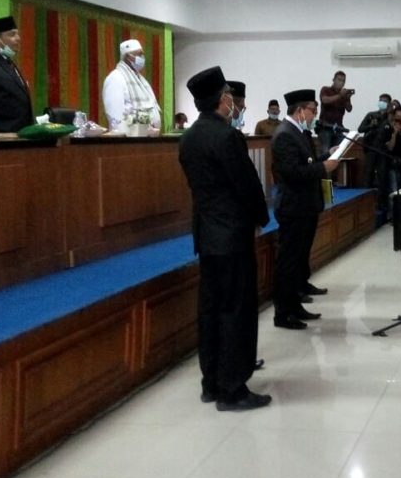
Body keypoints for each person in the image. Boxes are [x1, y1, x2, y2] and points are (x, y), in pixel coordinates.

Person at [178, 67, 271, 412]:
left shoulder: (189, 137)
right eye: (230, 96)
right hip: (232, 235)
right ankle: (233, 389)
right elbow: (246, 184)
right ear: (223, 99)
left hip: (207, 234)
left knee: (211, 310)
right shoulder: (227, 136)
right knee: (236, 310)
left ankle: (211, 382)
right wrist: (261, 217)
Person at [270, 88, 339, 329]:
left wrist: (325, 157)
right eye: (312, 110)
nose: (314, 115)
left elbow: (307, 162)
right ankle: (283, 313)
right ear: (300, 110)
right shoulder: (284, 134)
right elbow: (292, 172)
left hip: (306, 205)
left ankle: (295, 305)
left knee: (299, 258)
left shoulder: (299, 132)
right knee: (288, 262)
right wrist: (324, 168)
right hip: (293, 207)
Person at [102, 39, 161, 133]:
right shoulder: (116, 78)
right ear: (127, 57)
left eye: (142, 55)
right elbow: (116, 117)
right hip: (128, 138)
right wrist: (147, 122)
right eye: (139, 54)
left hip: (146, 137)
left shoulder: (140, 79)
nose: (142, 58)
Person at [317, 70, 353, 151]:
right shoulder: (326, 89)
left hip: (338, 128)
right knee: (325, 151)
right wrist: (340, 95)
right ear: (333, 80)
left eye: (343, 81)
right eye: (339, 80)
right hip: (326, 127)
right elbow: (325, 100)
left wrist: (348, 99)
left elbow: (349, 109)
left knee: (339, 151)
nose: (341, 83)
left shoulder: (343, 94)